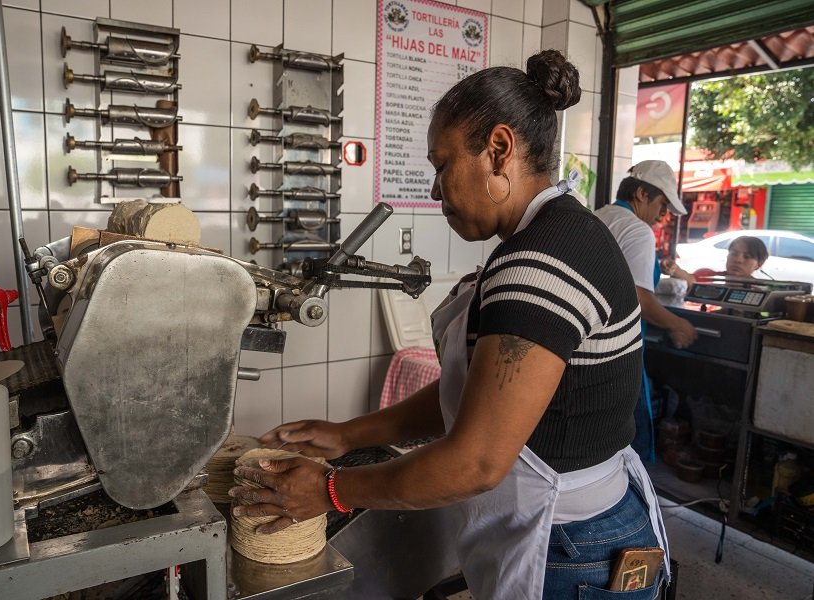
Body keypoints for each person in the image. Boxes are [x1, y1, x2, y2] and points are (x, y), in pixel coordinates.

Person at [230, 50, 669, 599]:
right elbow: (479, 394)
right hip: (576, 532)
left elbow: (477, 461)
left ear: (499, 150)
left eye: (442, 165)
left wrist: (333, 491)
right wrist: (348, 435)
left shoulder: (538, 265)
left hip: (568, 549)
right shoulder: (559, 233)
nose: (437, 191)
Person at [595, 162, 699, 462]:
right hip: (620, 348)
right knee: (633, 436)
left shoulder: (596, 217)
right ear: (642, 193)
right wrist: (677, 323)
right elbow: (639, 298)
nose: (661, 215)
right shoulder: (637, 230)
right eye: (661, 204)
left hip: (588, 344)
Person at [662, 235, 770, 283]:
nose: (738, 260)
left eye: (747, 257)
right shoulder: (711, 277)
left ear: (759, 264)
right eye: (733, 253)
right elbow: (691, 280)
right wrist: (674, 269)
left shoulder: (760, 291)